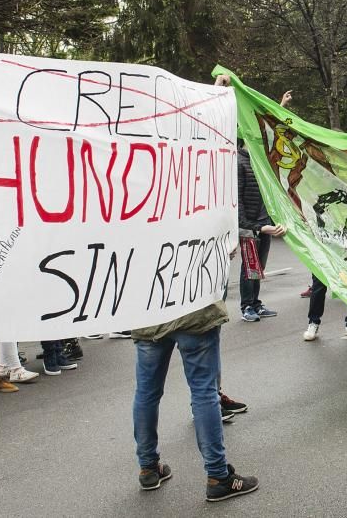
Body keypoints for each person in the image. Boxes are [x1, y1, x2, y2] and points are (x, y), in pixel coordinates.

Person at [131, 300, 259, 502]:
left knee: (147, 393)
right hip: (193, 309)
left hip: (150, 312)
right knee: (204, 392)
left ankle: (148, 468)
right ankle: (218, 476)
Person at [236, 140, 283, 323]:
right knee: (249, 267)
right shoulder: (239, 162)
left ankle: (256, 303)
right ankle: (247, 306)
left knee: (259, 267)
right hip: (251, 225)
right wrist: (251, 226)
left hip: (265, 223)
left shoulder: (261, 161)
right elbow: (237, 200)